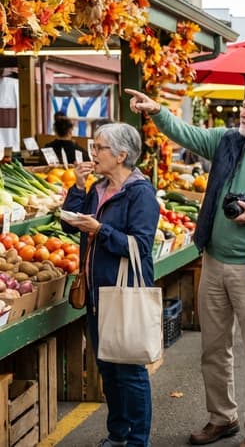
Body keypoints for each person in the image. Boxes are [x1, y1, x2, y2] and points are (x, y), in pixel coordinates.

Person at [126, 85, 245, 447]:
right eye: (244, 106)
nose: (244, 113)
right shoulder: (226, 142)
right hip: (213, 262)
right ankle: (222, 417)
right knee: (213, 347)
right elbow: (187, 133)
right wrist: (157, 111)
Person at [61, 123, 160, 447]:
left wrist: (100, 230)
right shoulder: (99, 188)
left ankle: (137, 440)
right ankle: (117, 434)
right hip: (96, 291)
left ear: (121, 155)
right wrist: (77, 185)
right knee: (107, 367)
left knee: (129, 370)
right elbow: (70, 222)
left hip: (125, 291)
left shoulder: (141, 193)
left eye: (99, 148)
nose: (94, 153)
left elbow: (140, 246)